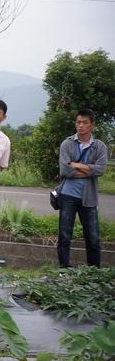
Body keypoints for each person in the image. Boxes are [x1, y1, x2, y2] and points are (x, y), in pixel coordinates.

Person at [56, 109, 108, 268]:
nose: (81, 126)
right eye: (78, 122)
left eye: (85, 122)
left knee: (92, 237)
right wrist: (89, 170)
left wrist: (77, 165)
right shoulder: (67, 143)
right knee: (65, 236)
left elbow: (101, 169)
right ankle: (64, 270)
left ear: (92, 125)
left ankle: (93, 272)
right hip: (67, 195)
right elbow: (65, 171)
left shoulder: (99, 146)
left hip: (89, 197)